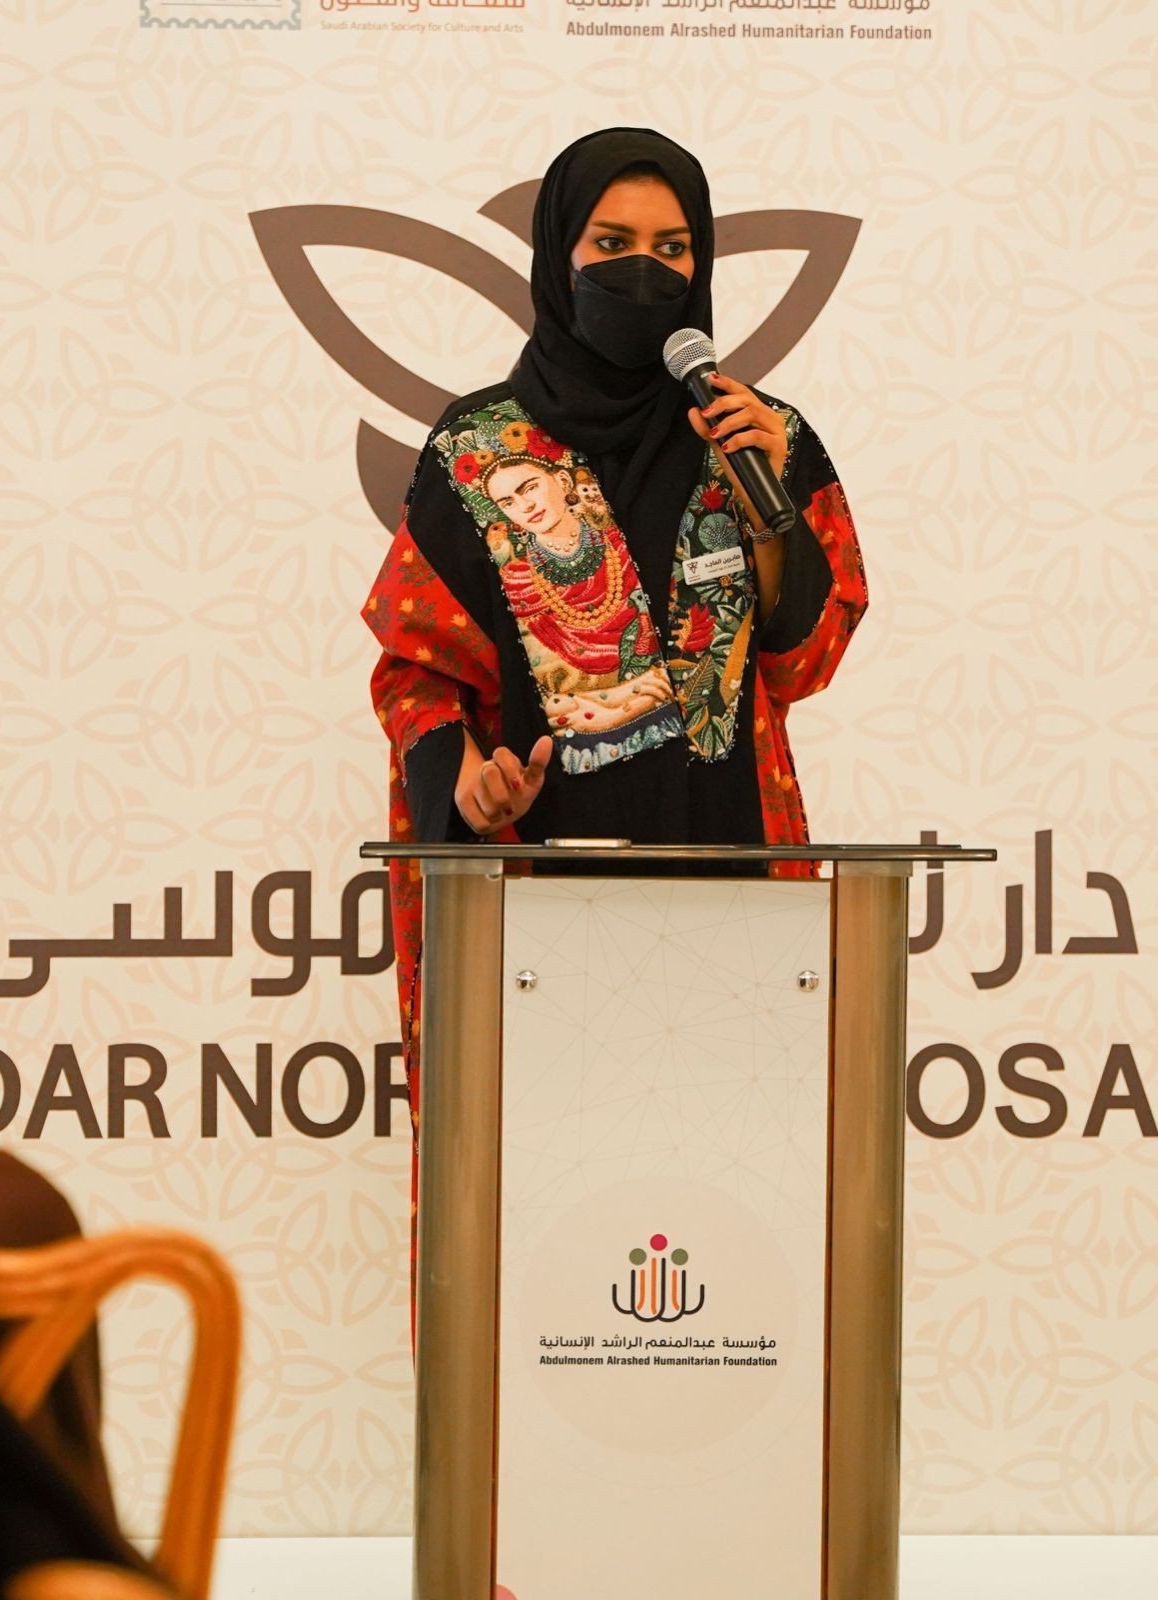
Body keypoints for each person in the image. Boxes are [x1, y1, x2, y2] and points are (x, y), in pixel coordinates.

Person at [361, 127, 869, 1293]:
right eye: (611, 242)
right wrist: (466, 776)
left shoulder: (764, 439)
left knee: (733, 1228)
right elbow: (413, 667)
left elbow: (804, 656)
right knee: (544, 1239)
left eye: (674, 249)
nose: (645, 273)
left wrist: (769, 504)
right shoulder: (478, 451)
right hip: (536, 912)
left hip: (732, 885)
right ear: (558, 254)